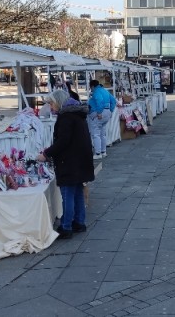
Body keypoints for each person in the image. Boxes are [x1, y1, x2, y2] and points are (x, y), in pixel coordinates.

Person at [38, 89, 94, 239]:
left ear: (58, 102)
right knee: (77, 191)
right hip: (80, 160)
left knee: (68, 193)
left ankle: (66, 226)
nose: (50, 107)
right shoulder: (77, 114)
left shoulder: (66, 117)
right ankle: (79, 222)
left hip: (70, 162)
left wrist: (46, 154)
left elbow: (63, 141)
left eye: (51, 103)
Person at [87, 79, 117, 159]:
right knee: (102, 134)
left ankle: (98, 153)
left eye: (90, 88)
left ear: (92, 86)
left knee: (96, 134)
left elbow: (100, 101)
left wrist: (99, 112)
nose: (91, 90)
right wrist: (111, 110)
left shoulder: (96, 92)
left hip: (99, 114)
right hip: (107, 113)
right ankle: (103, 152)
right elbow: (113, 101)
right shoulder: (105, 91)